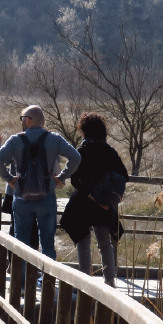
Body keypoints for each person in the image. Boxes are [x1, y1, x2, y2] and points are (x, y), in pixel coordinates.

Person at [0, 105, 81, 261]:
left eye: (23, 118)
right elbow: (76, 158)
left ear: (27, 120)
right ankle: (46, 281)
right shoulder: (55, 139)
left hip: (21, 197)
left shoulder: (15, 140)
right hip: (47, 196)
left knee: (21, 245)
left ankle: (22, 281)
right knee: (47, 244)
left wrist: (10, 179)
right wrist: (61, 177)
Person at [60, 112, 129, 286]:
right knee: (104, 243)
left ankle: (85, 283)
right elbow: (124, 176)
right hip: (104, 205)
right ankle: (110, 282)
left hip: (84, 202)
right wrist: (107, 195)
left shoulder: (82, 151)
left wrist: (91, 193)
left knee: (83, 242)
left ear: (84, 131)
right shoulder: (110, 151)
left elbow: (75, 180)